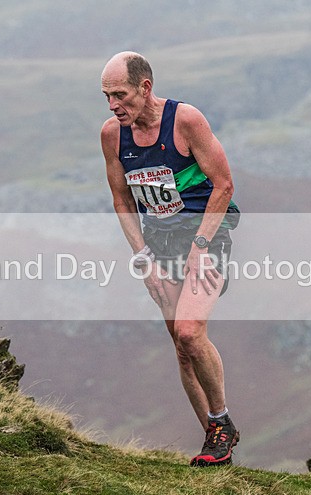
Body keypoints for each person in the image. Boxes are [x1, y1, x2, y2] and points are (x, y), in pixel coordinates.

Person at [100, 51, 241, 466]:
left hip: (205, 234)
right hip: (158, 243)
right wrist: (143, 259)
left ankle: (222, 422)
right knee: (181, 349)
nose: (113, 105)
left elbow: (224, 185)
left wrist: (200, 247)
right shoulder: (112, 136)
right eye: (107, 97)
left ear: (145, 87)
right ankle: (216, 443)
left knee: (190, 332)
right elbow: (122, 200)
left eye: (120, 95)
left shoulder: (185, 121)